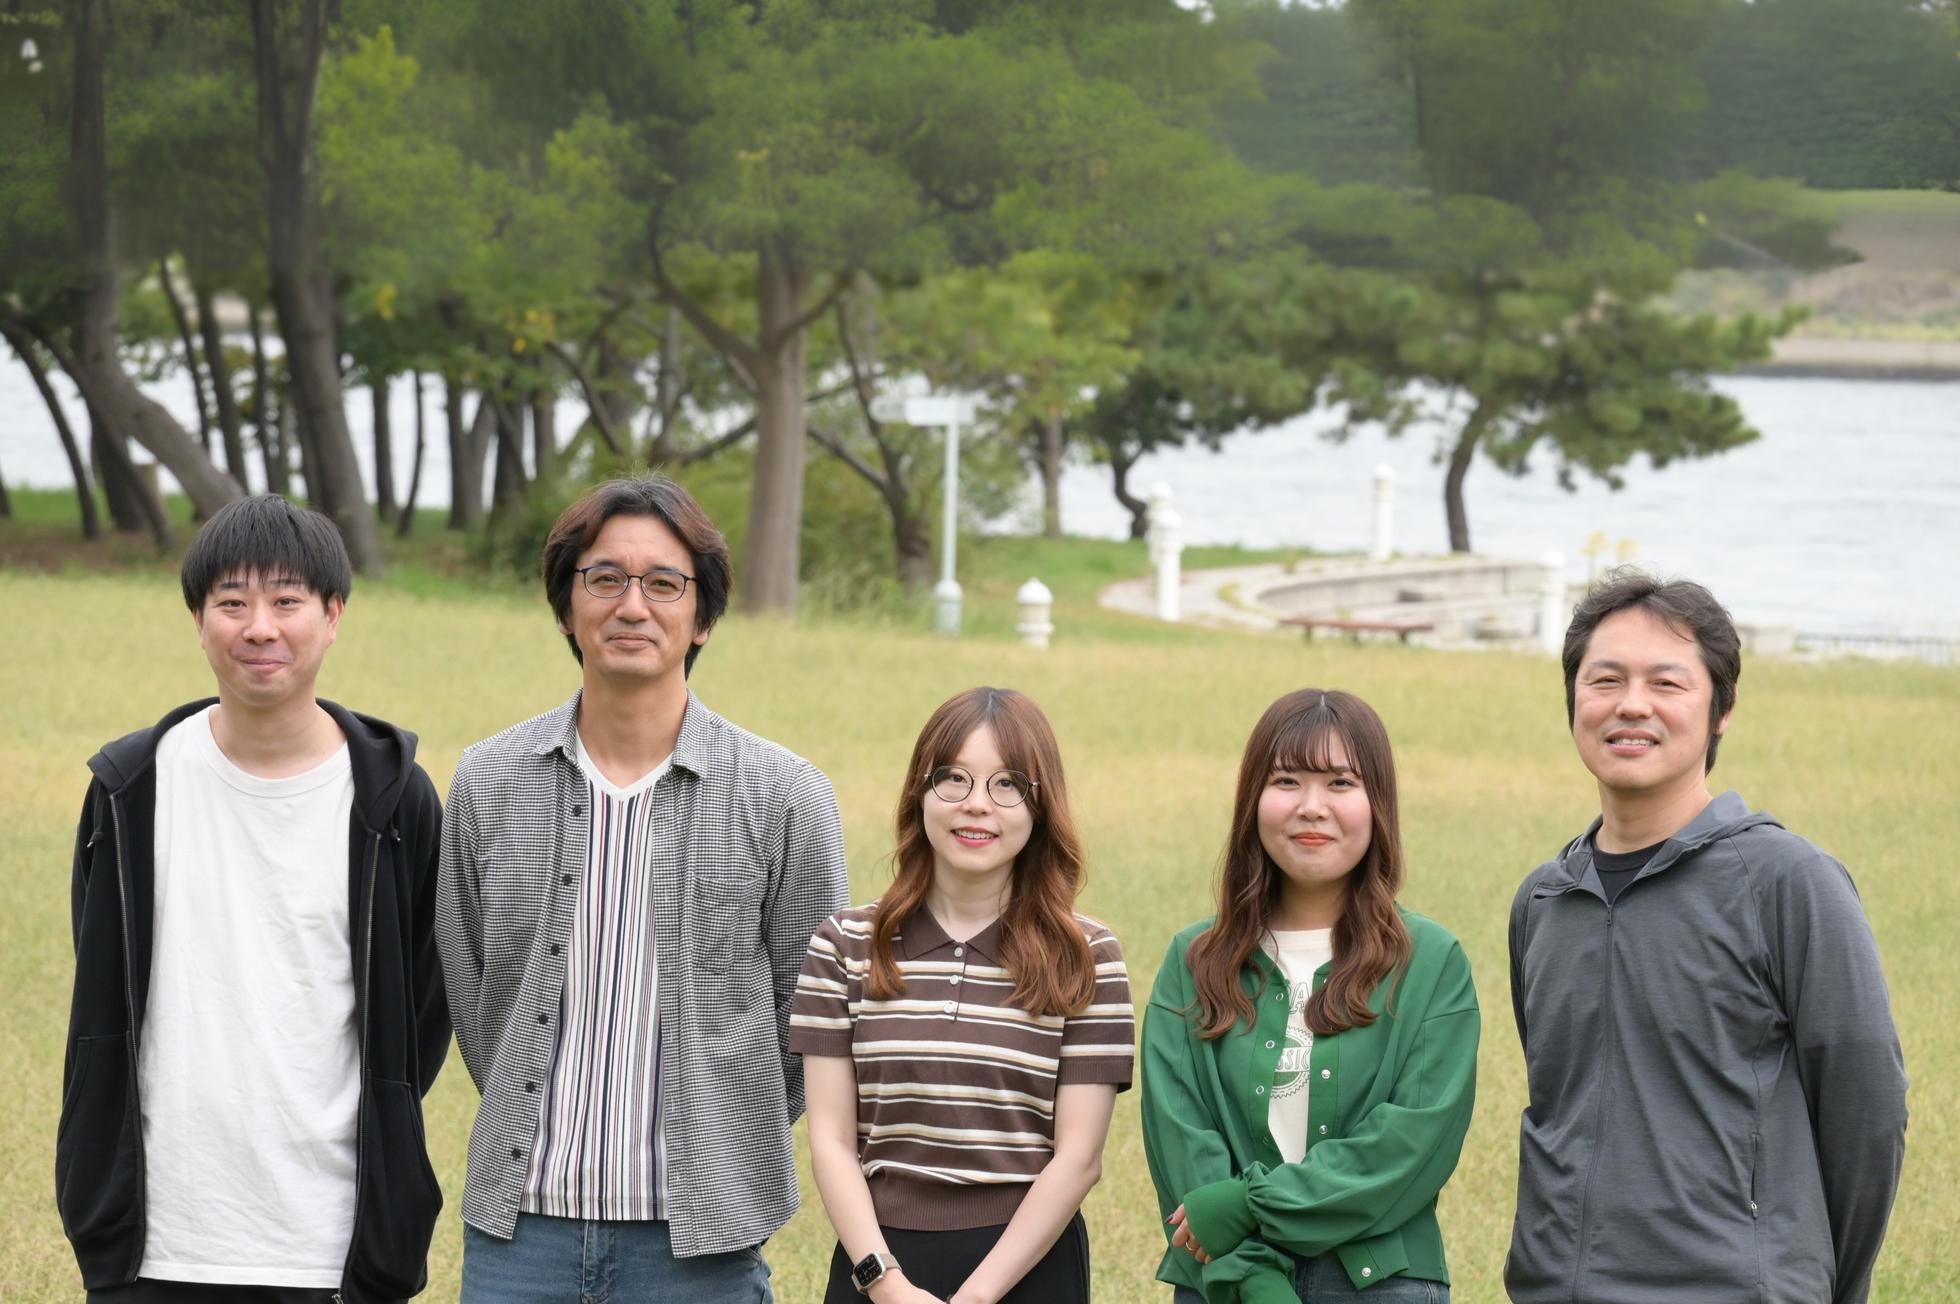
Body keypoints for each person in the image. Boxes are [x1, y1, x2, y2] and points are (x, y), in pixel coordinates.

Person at [437, 474, 849, 1302]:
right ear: (566, 607)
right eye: (605, 579)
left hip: (699, 1250)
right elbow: (475, 993)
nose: (633, 606)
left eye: (664, 583)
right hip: (519, 1238)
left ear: (703, 617)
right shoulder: (488, 781)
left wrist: (726, 1135)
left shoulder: (785, 795)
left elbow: (809, 1015)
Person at [57, 494, 449, 1304]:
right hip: (156, 1244)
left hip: (334, 1246)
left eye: (287, 601)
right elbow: (102, 984)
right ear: (198, 621)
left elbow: (422, 1004)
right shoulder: (131, 788)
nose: (259, 628)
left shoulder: (394, 800)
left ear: (333, 616)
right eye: (232, 603)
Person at [1507, 569, 1908, 1303]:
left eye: (1667, 683)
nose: (1632, 704)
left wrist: (1819, 1284)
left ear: (1721, 710)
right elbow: (1557, 1107)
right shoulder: (1544, 900)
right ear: (1574, 700)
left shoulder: (1788, 881)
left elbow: (1867, 1115)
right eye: (1606, 680)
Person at [790, 686, 1134, 1304]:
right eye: (954, 779)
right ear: (919, 793)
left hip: (1028, 1267)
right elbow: (831, 1141)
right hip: (878, 1263)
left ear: (1040, 806)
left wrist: (977, 1297)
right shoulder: (844, 946)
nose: (977, 805)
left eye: (1007, 785)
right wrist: (884, 1282)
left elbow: (1079, 1158)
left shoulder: (1087, 956)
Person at [1143, 688, 1478, 1304]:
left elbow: (1410, 1144)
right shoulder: (1193, 960)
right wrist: (1253, 1277)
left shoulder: (1431, 961)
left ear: (1378, 803)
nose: (1312, 807)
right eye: (1287, 781)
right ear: (1253, 799)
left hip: (1383, 1282)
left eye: (1341, 783)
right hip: (1226, 1280)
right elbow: (1179, 1137)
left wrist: (1249, 1204)